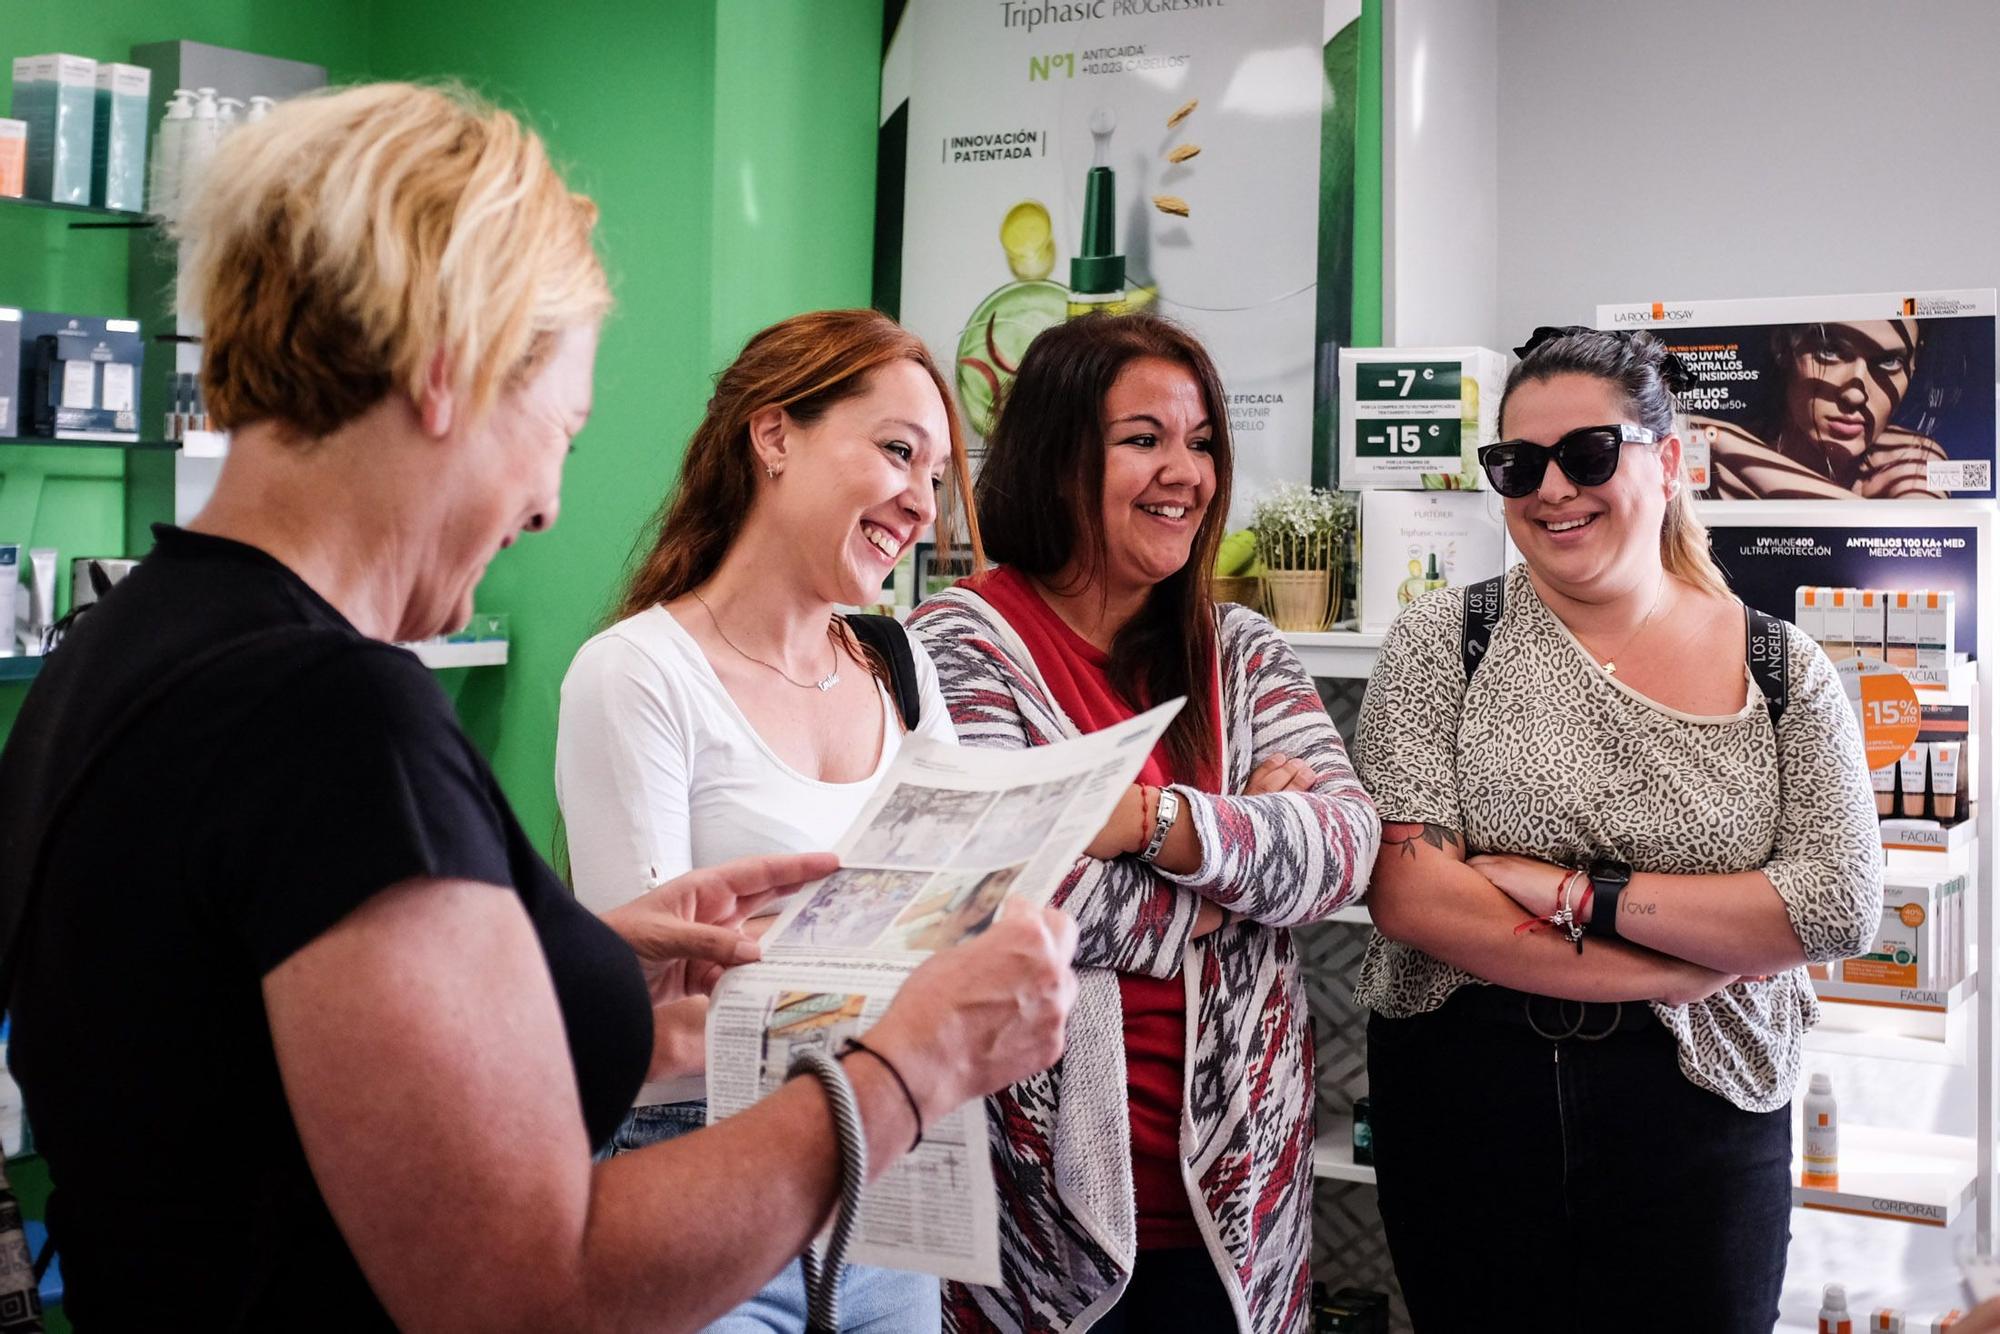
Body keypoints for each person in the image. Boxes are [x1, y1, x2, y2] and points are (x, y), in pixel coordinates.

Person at [0, 83, 1079, 1331]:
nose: (551, 504)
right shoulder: (332, 716)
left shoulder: (116, 648)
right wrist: (912, 1063)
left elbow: (272, 1070)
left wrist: (574, 975)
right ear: (452, 373)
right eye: (559, 428)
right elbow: (529, 1286)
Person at [1354, 326, 1881, 1331]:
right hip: (1466, 1099)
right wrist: (1678, 963)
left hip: (1703, 1112)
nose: (1550, 488)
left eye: (1587, 454)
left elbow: (1832, 903)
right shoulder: (1442, 640)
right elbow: (1411, 889)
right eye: (1515, 464)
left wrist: (1568, 892)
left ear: (1669, 461)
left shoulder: (1778, 670)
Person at [909, 312, 1380, 1333]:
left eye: (1202, 440)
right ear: (1056, 452)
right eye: (1143, 438)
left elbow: (1343, 849)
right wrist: (1235, 873)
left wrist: (1144, 818)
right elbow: (1007, 895)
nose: (1185, 471)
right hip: (1030, 1211)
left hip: (1239, 1206)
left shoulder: (1242, 650)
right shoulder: (956, 645)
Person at [557, 308, 978, 1332]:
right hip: (696, 1167)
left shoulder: (900, 664)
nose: (920, 502)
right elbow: (647, 1014)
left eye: (935, 475)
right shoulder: (638, 672)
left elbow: (966, 906)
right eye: (895, 452)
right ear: (775, 433)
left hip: (883, 1182)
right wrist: (901, 1011)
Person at [1699, 317, 1945, 498]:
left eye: (1890, 361)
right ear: (1782, 347)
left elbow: (1921, 537)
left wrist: (1719, 438)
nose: (1855, 395)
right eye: (1830, 352)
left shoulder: (1910, 459)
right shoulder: (1717, 472)